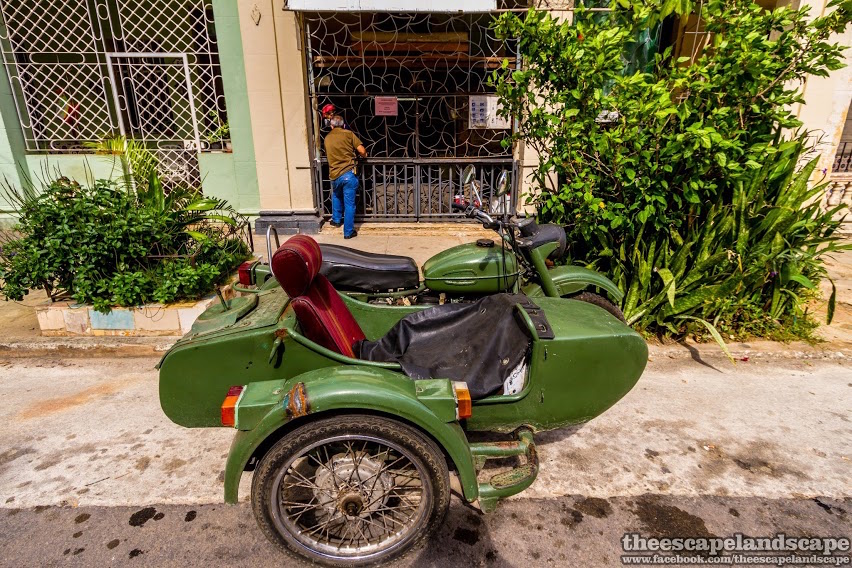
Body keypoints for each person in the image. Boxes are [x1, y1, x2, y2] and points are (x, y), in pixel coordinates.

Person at [324, 114, 367, 239]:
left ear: (331, 125)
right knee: (349, 204)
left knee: (336, 196)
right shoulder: (348, 134)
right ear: (343, 124)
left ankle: (336, 220)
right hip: (348, 173)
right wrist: (363, 156)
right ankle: (348, 232)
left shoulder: (327, 138)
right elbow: (362, 151)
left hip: (334, 174)